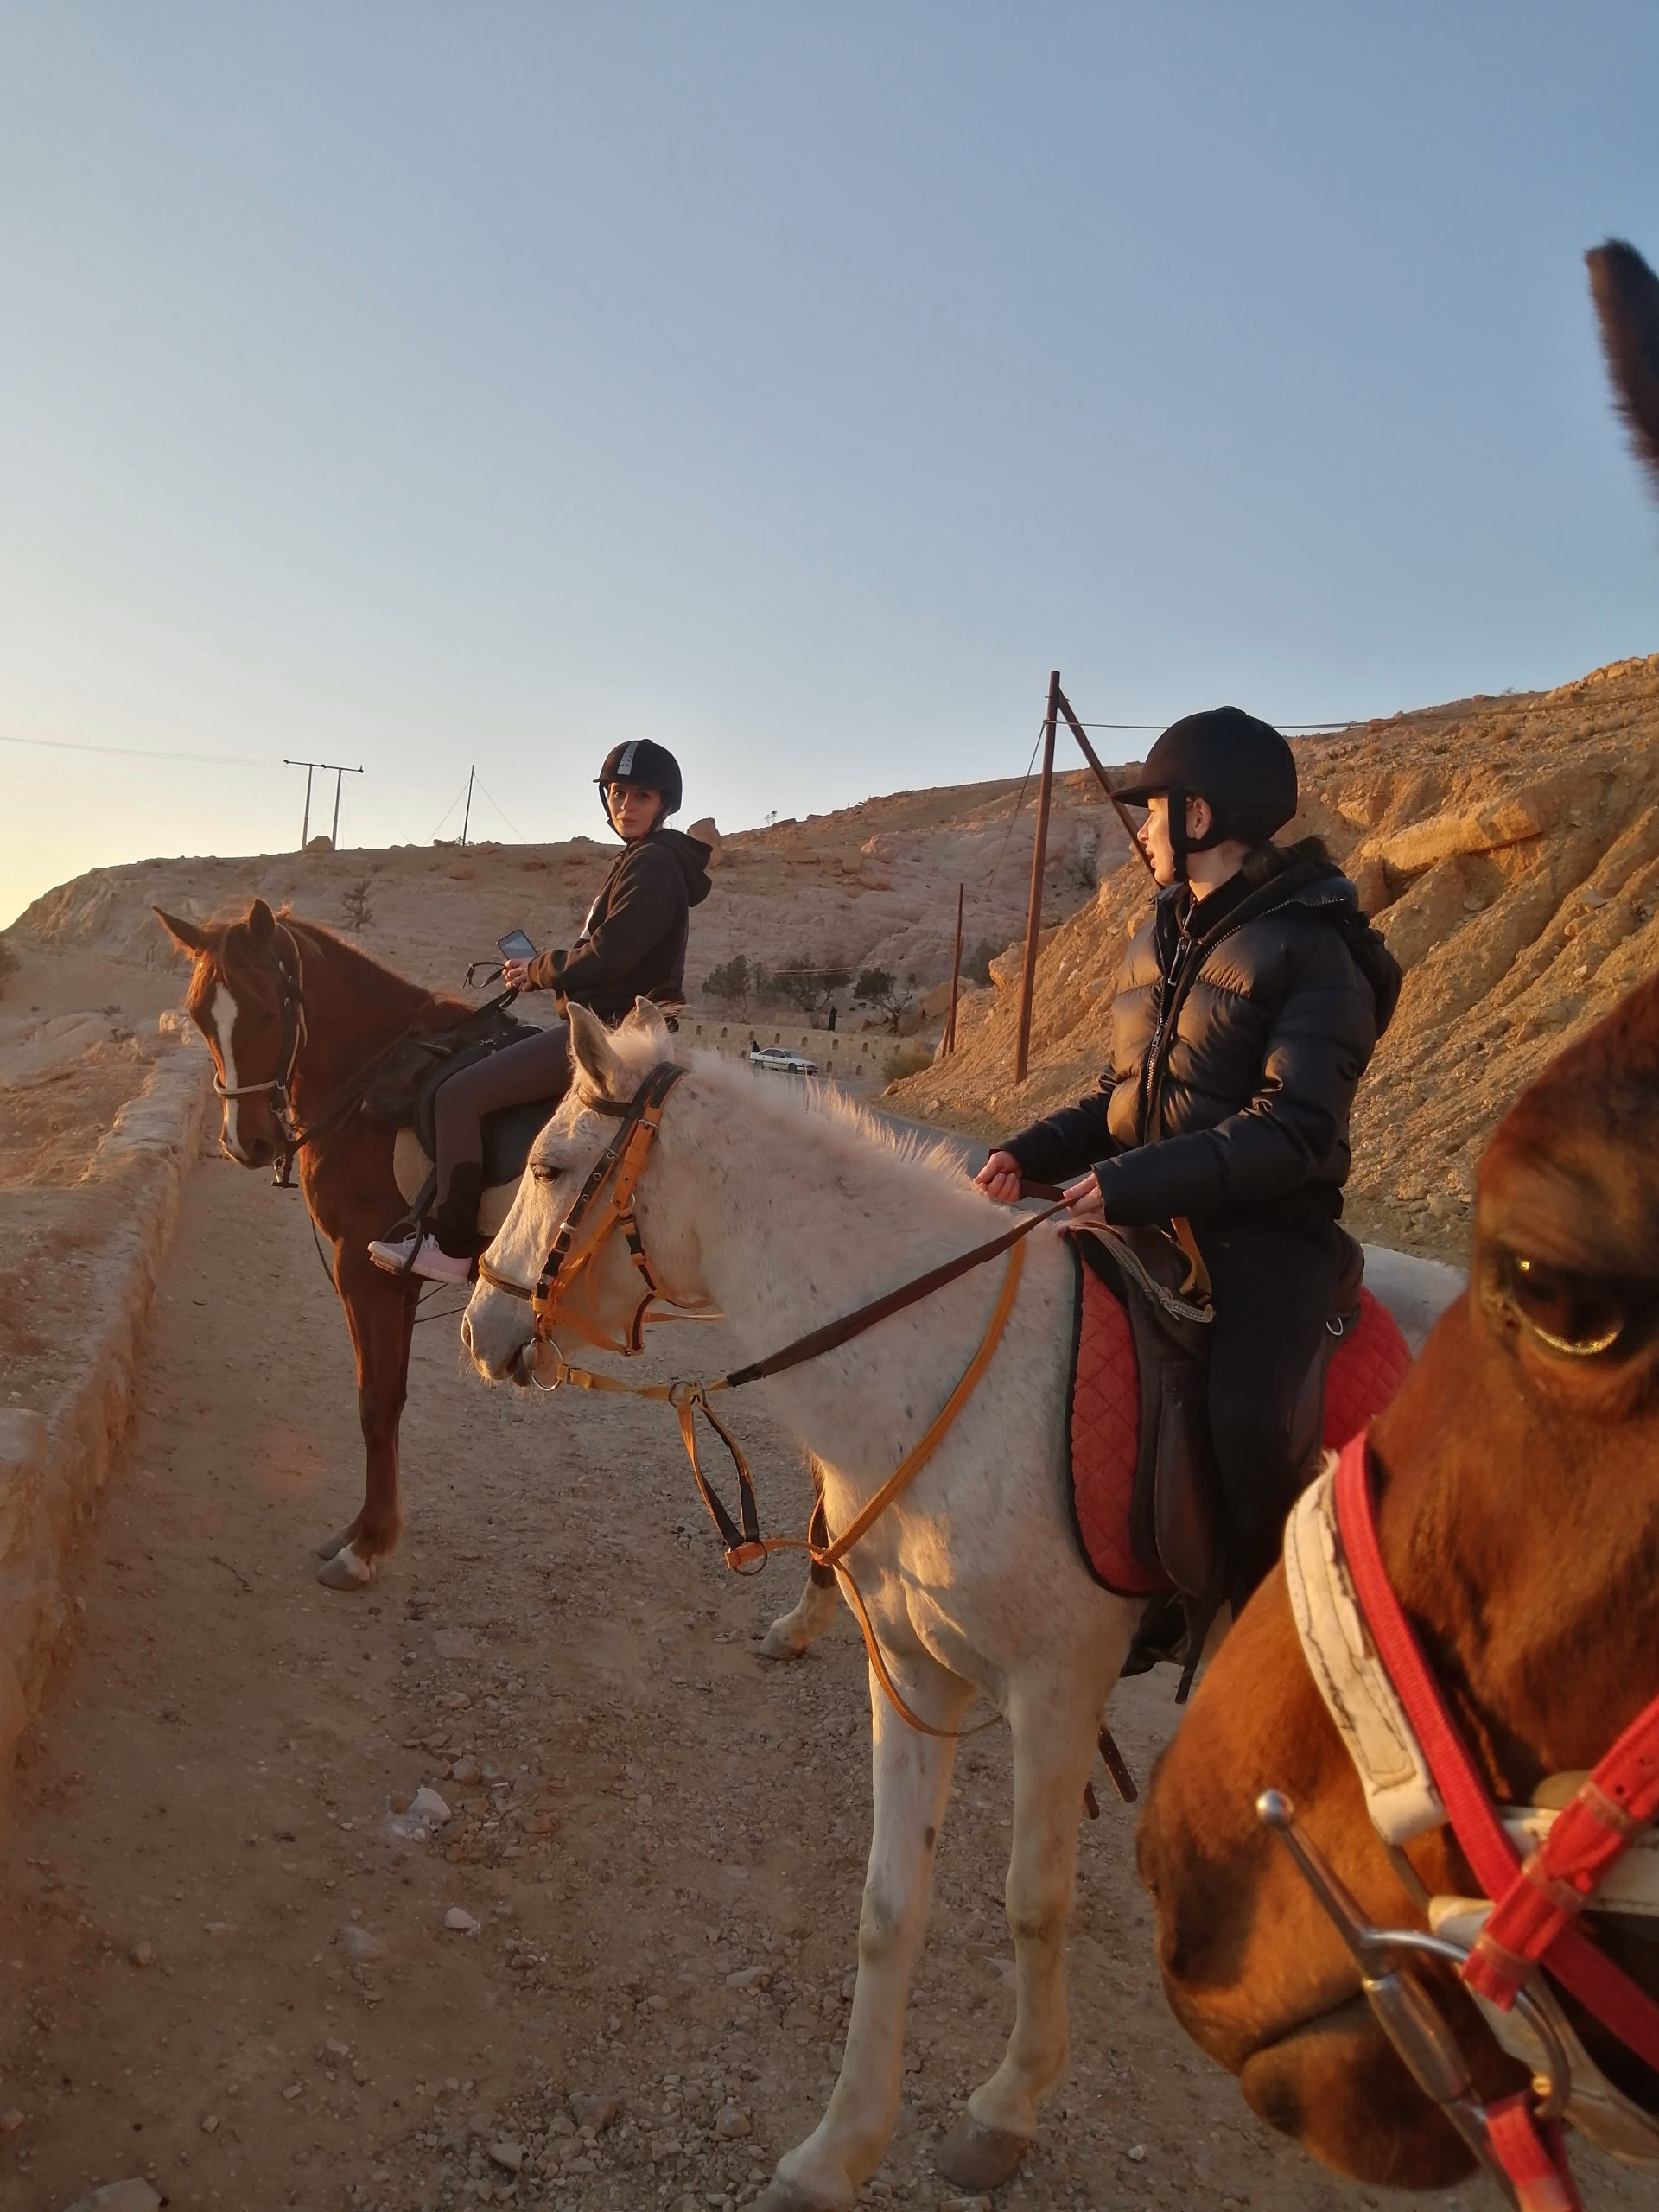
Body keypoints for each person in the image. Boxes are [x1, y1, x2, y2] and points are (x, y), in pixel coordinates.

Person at [975, 706, 1400, 1614]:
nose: (1143, 825)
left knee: (1247, 1416)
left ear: (1201, 816)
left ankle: (1267, 1620)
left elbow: (1292, 1132)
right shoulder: (1159, 933)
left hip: (1268, 1234)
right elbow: (1119, 1099)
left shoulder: (1320, 952)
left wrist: (1129, 1182)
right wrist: (1025, 1151)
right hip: (1151, 1209)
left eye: (1155, 807)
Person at [369, 740, 711, 1281]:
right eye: (617, 793)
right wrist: (544, 975)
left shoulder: (654, 863)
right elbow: (612, 956)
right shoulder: (645, 860)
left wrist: (540, 969)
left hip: (612, 1033)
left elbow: (612, 953)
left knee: (458, 1096)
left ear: (664, 802)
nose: (626, 804)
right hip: (614, 1023)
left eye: (640, 795)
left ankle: (454, 1245)